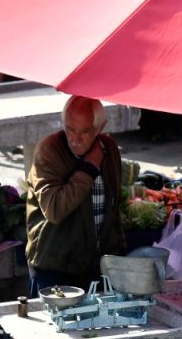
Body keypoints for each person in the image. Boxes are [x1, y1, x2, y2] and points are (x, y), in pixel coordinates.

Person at [26, 95, 126, 295]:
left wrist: (119, 251)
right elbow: (54, 210)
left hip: (97, 265)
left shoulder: (109, 148)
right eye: (70, 129)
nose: (75, 139)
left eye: (85, 131)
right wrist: (89, 168)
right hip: (55, 265)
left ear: (99, 128)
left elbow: (113, 207)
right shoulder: (48, 151)